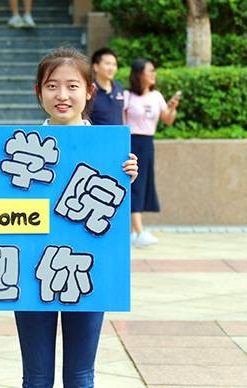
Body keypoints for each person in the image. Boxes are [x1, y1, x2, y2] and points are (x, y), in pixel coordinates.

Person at [15, 46, 138, 388]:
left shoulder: (108, 150)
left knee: (81, 377)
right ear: (39, 92)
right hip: (30, 270)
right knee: (36, 378)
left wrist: (125, 175)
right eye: (52, 86)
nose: (62, 95)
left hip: (86, 268)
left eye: (72, 86)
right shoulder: (15, 150)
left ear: (89, 91)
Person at [124, 59, 180, 248]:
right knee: (135, 186)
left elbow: (168, 120)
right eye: (150, 71)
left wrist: (173, 107)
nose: (154, 74)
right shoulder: (127, 95)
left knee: (143, 185)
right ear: (139, 74)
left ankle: (133, 233)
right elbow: (122, 122)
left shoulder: (156, 96)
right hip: (131, 142)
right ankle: (138, 232)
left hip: (147, 143)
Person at [89, 48, 125, 126]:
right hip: (97, 136)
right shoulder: (89, 91)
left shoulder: (119, 87)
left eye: (114, 64)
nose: (111, 68)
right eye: (108, 64)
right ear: (96, 67)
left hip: (118, 136)